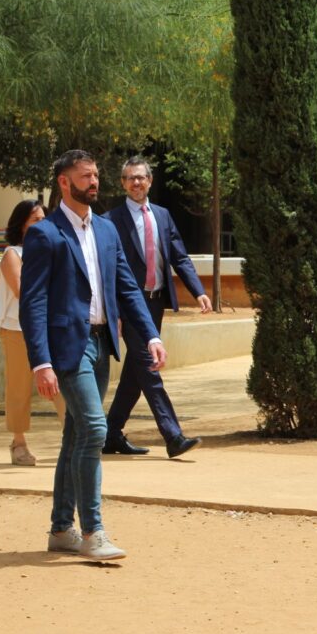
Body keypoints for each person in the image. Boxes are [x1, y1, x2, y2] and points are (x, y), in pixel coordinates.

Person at [21, 149, 167, 561]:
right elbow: (32, 303)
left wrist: (151, 335)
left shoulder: (105, 230)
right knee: (94, 429)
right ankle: (93, 531)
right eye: (85, 177)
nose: (94, 182)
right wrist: (41, 361)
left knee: (76, 436)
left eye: (96, 176)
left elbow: (127, 288)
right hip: (68, 348)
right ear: (64, 183)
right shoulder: (45, 235)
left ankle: (60, 528)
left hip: (103, 345)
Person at [102, 156, 208, 458]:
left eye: (141, 177)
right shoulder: (111, 220)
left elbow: (180, 257)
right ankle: (173, 436)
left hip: (156, 302)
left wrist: (198, 291)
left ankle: (110, 434)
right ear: (123, 183)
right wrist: (116, 312)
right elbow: (109, 272)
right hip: (130, 308)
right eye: (130, 178)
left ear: (150, 181)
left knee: (136, 373)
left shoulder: (162, 215)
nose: (136, 182)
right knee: (150, 367)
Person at [0, 199, 67, 466]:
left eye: (44, 218)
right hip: (16, 329)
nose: (42, 224)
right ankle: (19, 442)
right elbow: (23, 292)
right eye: (35, 219)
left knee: (63, 384)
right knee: (19, 387)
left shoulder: (51, 250)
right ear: (21, 225)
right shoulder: (13, 253)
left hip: (50, 328)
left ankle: (74, 440)